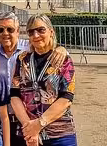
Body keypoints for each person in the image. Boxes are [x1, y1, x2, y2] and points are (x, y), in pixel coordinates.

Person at [0, 12, 66, 146]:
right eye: (0, 29)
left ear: (18, 31)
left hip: (30, 120)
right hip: (1, 120)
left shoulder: (29, 48)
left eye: (10, 29)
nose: (5, 33)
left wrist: (61, 48)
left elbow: (54, 53)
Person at [10, 15, 76, 146]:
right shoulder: (22, 59)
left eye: (41, 30)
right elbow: (14, 94)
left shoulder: (63, 59)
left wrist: (39, 124)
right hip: (28, 134)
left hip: (59, 134)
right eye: (31, 32)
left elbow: (66, 97)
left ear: (51, 32)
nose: (36, 35)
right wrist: (29, 128)